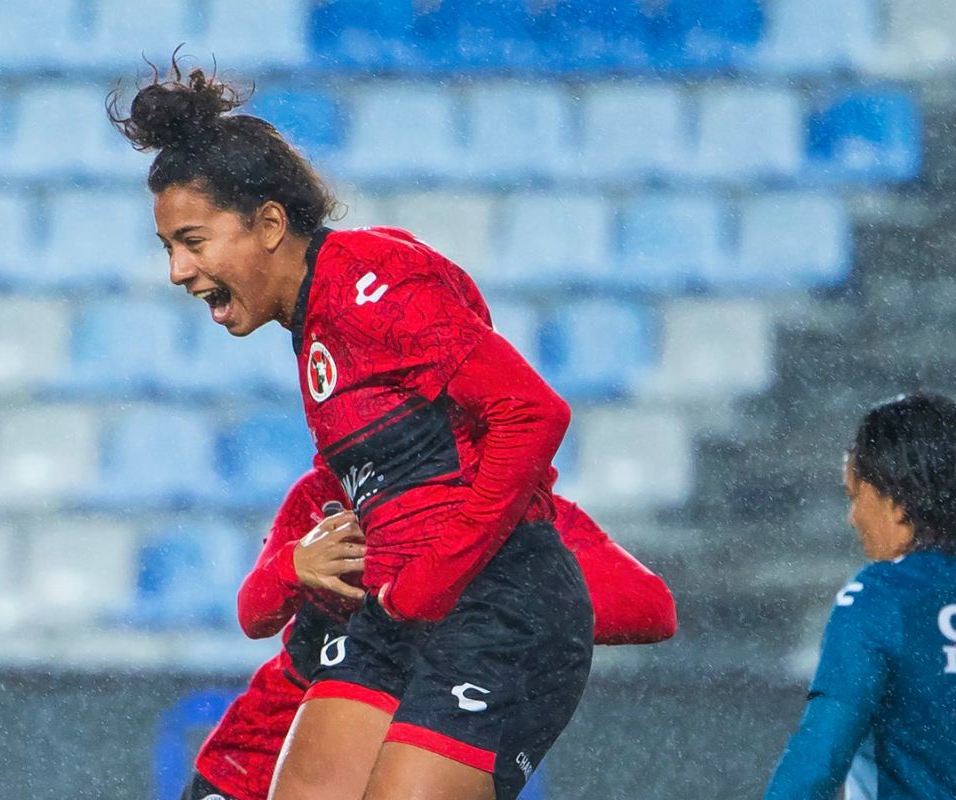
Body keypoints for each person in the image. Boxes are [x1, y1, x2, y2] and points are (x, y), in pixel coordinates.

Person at [112, 57, 592, 800]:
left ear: (270, 224)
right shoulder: (312, 332)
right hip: (395, 611)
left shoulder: (371, 279)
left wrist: (432, 580)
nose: (178, 270)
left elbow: (532, 414)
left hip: (498, 604)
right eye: (169, 247)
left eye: (194, 241)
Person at [182, 466, 677, 800]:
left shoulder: (528, 515)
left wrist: (477, 585)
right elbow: (254, 615)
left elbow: (652, 609)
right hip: (256, 761)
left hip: (414, 757)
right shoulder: (326, 493)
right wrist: (291, 566)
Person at [765, 393, 956, 799]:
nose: (852, 517)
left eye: (856, 494)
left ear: (896, 500)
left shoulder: (882, 598)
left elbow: (818, 760)